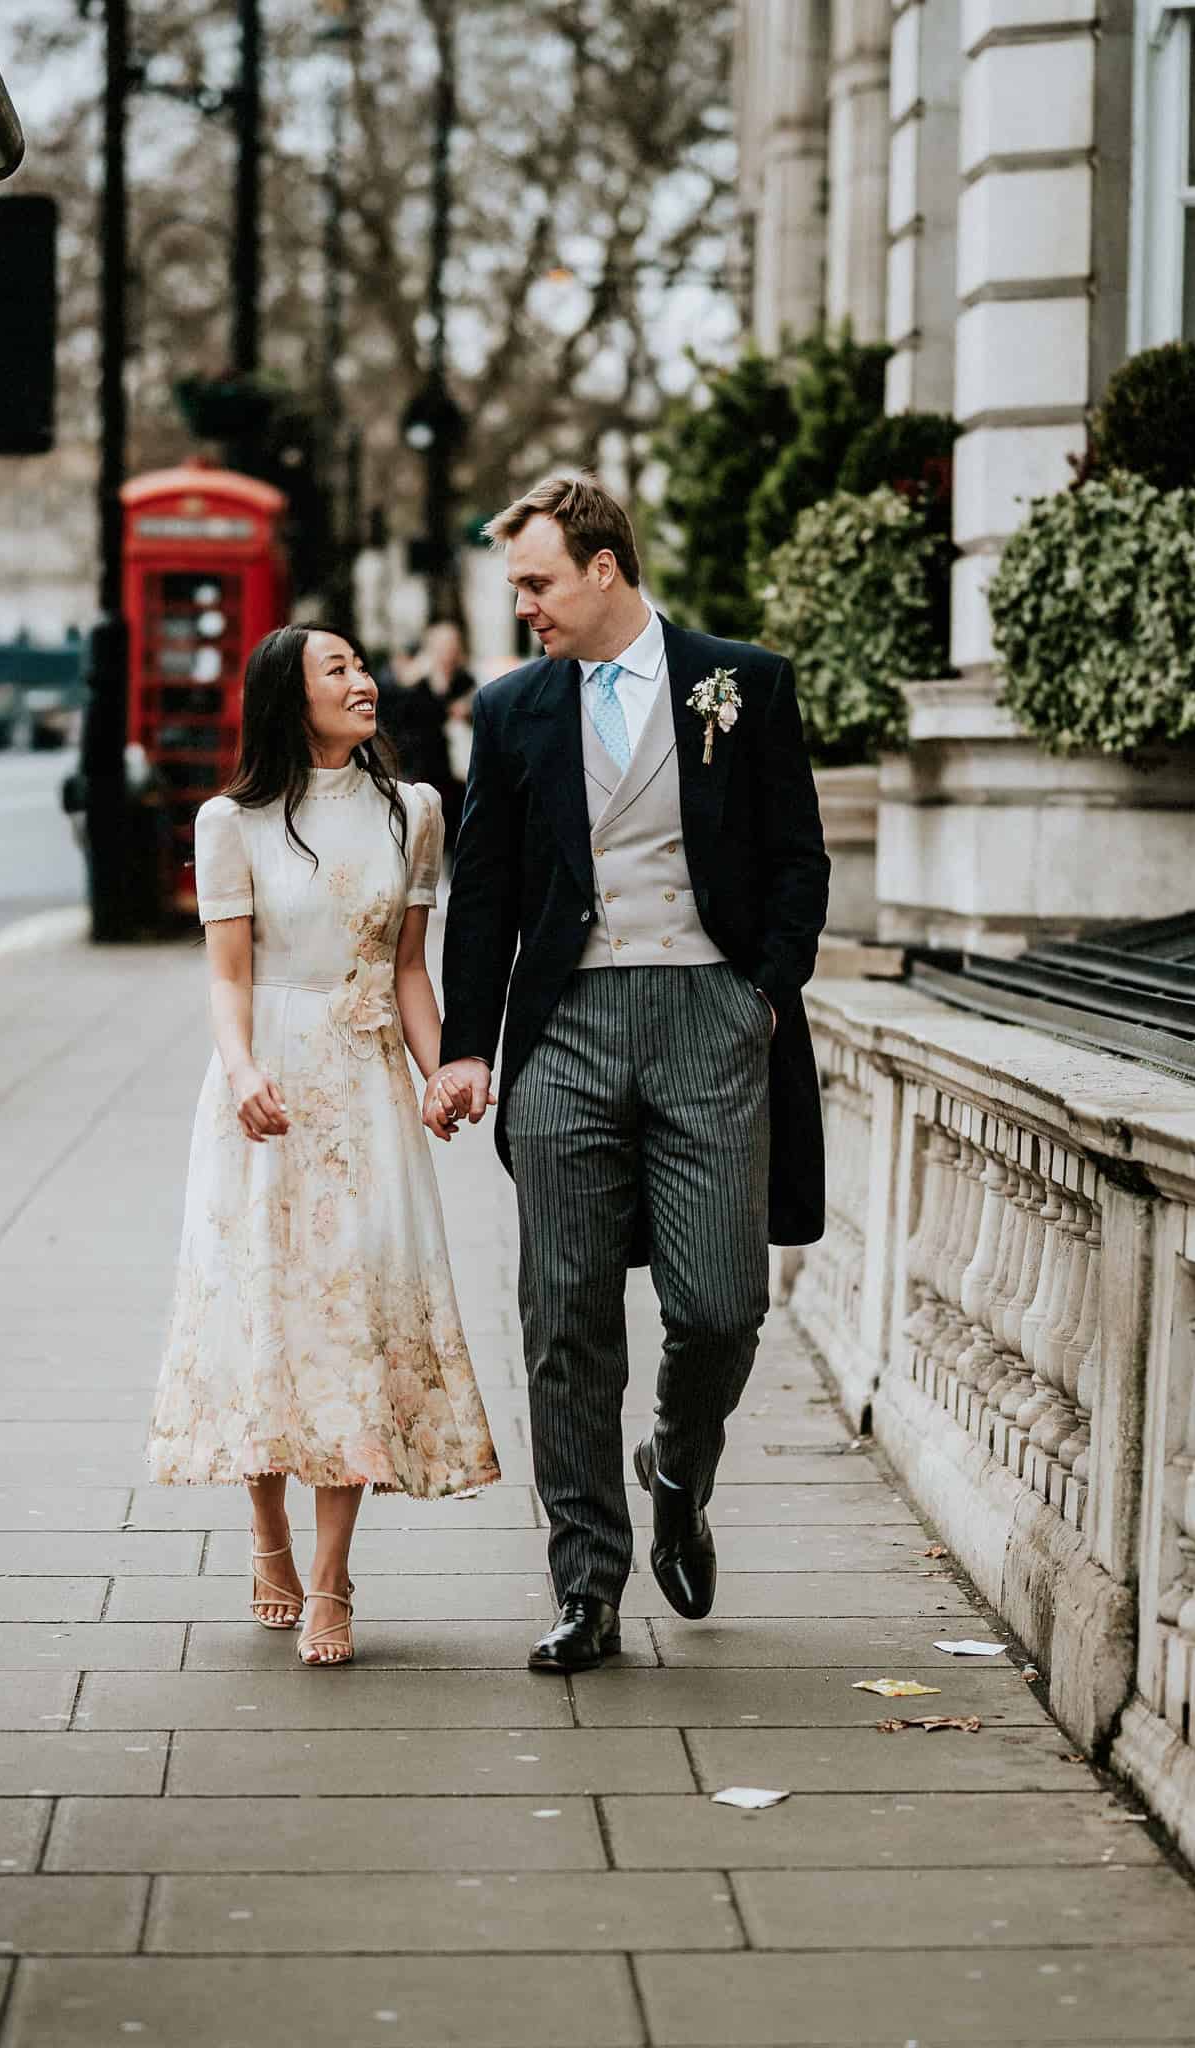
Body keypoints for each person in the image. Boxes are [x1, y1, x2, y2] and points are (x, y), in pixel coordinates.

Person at [422, 472, 829, 1674]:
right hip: (568, 1029)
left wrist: (760, 989)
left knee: (719, 1305)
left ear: (605, 568)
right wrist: (466, 1044)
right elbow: (484, 886)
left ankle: (677, 1462)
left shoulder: (742, 682)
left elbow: (797, 854)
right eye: (515, 589)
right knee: (565, 1316)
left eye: (537, 584)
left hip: (710, 1015)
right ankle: (586, 1586)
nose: (524, 610)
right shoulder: (512, 710)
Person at [147, 623, 501, 1667]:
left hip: (366, 1082)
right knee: (268, 1304)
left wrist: (441, 1068)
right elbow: (226, 975)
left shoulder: (415, 811)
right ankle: (268, 1539)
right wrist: (245, 1065)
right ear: (284, 698)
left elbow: (407, 973)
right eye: (334, 669)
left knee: (352, 1311)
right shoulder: (232, 820)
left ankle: (336, 1576)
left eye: (360, 665)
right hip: (266, 1082)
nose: (362, 681)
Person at [377, 620, 477, 850]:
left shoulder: (465, 681)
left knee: (456, 833)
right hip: (422, 769)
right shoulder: (416, 681)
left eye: (451, 644)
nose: (447, 651)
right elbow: (395, 719)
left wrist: (466, 711)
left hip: (457, 772)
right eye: (442, 645)